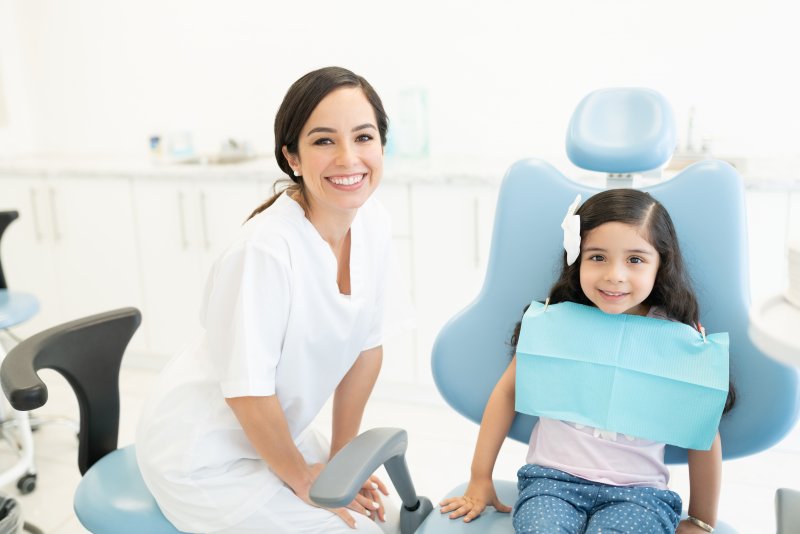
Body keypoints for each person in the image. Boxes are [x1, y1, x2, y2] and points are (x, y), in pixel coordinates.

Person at [136, 66, 399, 534]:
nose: (348, 157)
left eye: (363, 136)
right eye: (323, 141)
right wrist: (302, 478)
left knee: (386, 517)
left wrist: (341, 461)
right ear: (291, 157)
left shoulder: (372, 222)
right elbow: (247, 392)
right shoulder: (265, 251)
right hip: (204, 458)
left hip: (274, 433)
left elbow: (367, 349)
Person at [439, 189, 735, 534]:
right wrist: (479, 477)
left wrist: (701, 520)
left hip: (638, 495)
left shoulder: (675, 338)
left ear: (661, 264)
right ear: (577, 257)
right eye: (598, 257)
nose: (615, 275)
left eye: (635, 260)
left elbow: (703, 431)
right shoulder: (554, 322)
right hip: (551, 484)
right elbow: (506, 394)